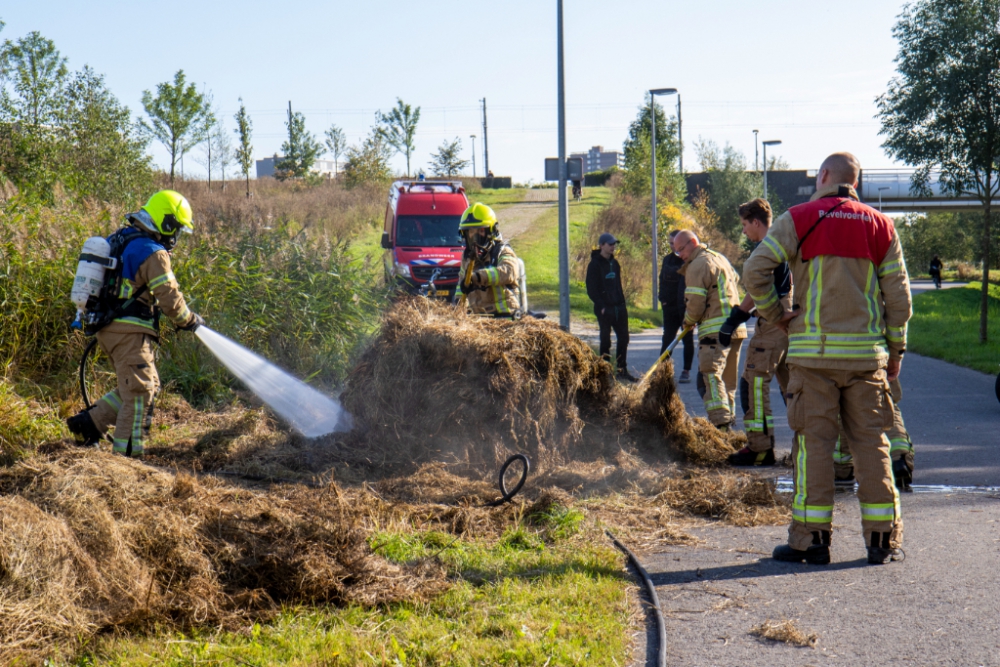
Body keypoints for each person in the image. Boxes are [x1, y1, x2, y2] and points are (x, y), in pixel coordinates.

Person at [743, 152, 911, 566]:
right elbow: (899, 299)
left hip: (812, 360)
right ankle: (881, 541)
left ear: (823, 176)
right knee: (871, 444)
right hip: (864, 358)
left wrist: (776, 314)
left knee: (813, 446)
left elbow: (754, 270)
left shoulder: (799, 218)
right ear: (856, 182)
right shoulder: (880, 225)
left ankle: (811, 541)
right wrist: (895, 352)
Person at [66, 190, 204, 458]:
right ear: (166, 223)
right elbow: (170, 298)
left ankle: (88, 425)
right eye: (175, 228)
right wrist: (189, 320)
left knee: (142, 385)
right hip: (128, 332)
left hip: (109, 328)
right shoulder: (153, 252)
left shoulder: (120, 238)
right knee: (140, 392)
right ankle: (127, 462)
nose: (175, 237)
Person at [723, 198, 792, 466]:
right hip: (787, 320)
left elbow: (758, 288)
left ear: (756, 221)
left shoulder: (768, 248)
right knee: (792, 388)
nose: (743, 231)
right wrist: (738, 315)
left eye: (744, 225)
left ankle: (760, 449)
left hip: (774, 321)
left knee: (752, 383)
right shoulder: (783, 244)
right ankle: (805, 449)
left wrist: (736, 317)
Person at [675, 230, 747, 429]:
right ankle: (729, 426)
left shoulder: (697, 265)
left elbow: (696, 303)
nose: (680, 255)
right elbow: (736, 279)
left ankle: (721, 426)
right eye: (677, 252)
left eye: (681, 249)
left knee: (710, 377)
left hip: (715, 332)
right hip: (736, 329)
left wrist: (688, 321)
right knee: (727, 383)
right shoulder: (719, 258)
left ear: (693, 242)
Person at [834, 377, 915, 491]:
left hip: (834, 364)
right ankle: (899, 459)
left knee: (842, 402)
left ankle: (842, 465)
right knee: (884, 403)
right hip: (874, 362)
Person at [455, 203, 522, 316]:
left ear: (491, 231)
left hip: (506, 319)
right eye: (471, 232)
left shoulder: (502, 251)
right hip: (479, 321)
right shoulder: (467, 258)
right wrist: (457, 305)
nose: (475, 238)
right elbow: (461, 284)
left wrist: (478, 277)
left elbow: (508, 272)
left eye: (480, 231)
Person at [586, 232, 635, 381]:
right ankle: (605, 371)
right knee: (605, 340)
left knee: (624, 338)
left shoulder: (615, 263)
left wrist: (622, 303)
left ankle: (622, 370)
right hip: (604, 308)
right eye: (610, 244)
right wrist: (600, 305)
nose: (613, 246)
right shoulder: (594, 264)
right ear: (602, 245)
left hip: (619, 307)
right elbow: (591, 289)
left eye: (614, 244)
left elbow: (618, 286)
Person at [658, 230, 694, 383]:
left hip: (685, 308)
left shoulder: (689, 260)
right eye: (671, 243)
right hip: (670, 307)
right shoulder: (667, 260)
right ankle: (662, 370)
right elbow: (662, 282)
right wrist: (663, 300)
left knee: (687, 339)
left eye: (676, 244)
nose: (674, 247)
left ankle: (686, 371)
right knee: (668, 338)